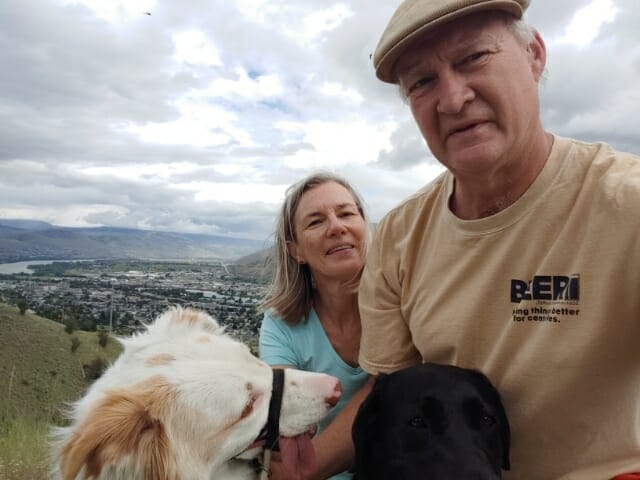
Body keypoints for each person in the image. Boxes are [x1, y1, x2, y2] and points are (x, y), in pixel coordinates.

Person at [358, 0, 640, 479]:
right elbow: (390, 401)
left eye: (472, 58)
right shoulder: (397, 237)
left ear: (534, 54)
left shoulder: (625, 205)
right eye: (422, 82)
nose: (452, 98)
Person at [258, 172, 371, 480]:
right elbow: (281, 412)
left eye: (347, 213)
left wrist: (304, 472)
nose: (337, 227)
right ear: (296, 251)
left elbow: (391, 389)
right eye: (315, 221)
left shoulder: (402, 302)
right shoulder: (282, 323)